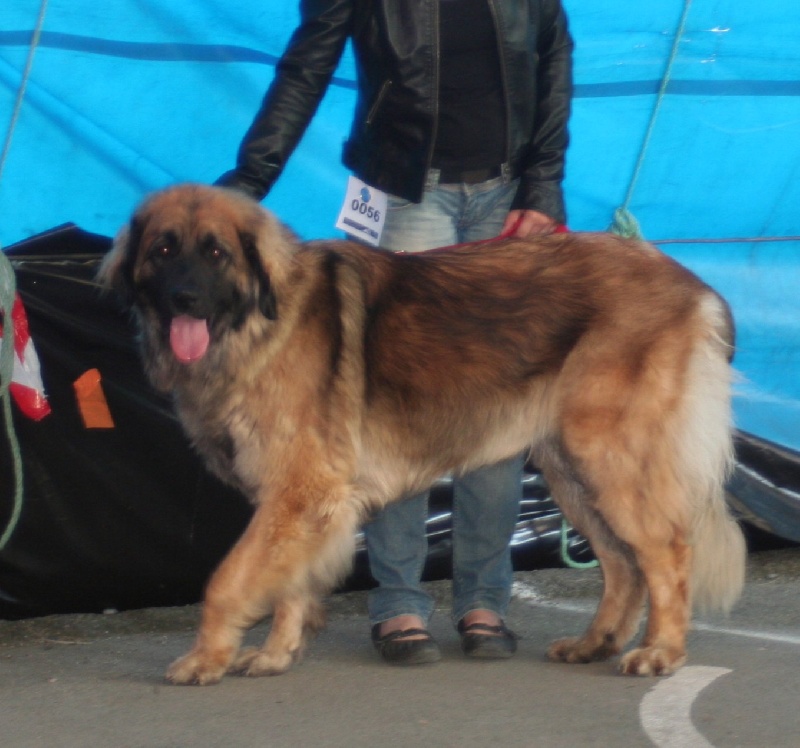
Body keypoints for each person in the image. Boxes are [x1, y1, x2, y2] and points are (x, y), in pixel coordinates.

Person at [216, 0, 573, 665]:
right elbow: (305, 67)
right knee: (395, 408)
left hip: (506, 197)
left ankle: (485, 600)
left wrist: (543, 185)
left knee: (498, 403)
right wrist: (250, 180)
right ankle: (399, 604)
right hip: (407, 195)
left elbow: (554, 54)